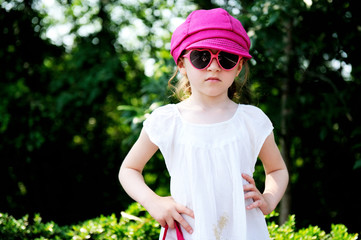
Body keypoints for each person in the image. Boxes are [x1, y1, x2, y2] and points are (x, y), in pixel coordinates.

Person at [119, 8, 289, 240]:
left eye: (226, 58)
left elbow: (277, 169)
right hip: (190, 232)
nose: (213, 66)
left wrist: (269, 199)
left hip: (245, 232)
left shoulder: (252, 120)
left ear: (239, 66)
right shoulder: (167, 121)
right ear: (182, 64)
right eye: (202, 56)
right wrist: (153, 202)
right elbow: (128, 170)